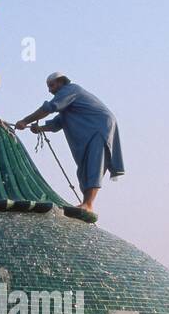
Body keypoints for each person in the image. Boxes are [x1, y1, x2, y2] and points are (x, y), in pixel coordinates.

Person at [14, 73, 124, 213]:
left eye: (52, 85)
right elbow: (58, 123)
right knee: (84, 168)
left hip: (98, 126)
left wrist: (25, 121)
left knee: (93, 164)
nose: (50, 90)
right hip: (92, 129)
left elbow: (49, 108)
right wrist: (40, 128)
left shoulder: (70, 90)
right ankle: (86, 202)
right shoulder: (67, 103)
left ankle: (88, 204)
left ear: (61, 82)